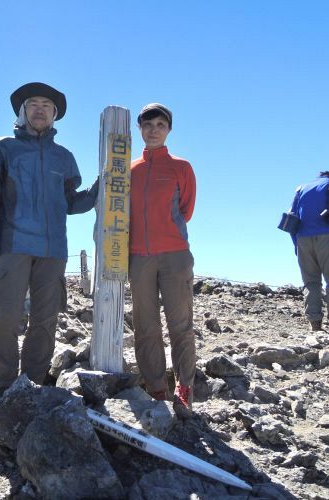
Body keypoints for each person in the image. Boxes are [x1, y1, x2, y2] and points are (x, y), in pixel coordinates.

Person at [0, 82, 97, 399]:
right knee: (7, 315)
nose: (40, 110)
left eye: (46, 105)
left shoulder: (64, 157)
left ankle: (34, 384)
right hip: (14, 244)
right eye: (33, 104)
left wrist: (98, 190)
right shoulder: (3, 149)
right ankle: (3, 387)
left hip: (53, 249)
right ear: (22, 111)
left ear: (55, 114)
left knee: (46, 318)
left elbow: (70, 202)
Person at [129, 103, 196, 417]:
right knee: (145, 326)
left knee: (180, 325)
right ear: (139, 129)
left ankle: (185, 389)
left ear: (169, 130)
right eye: (148, 125)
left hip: (174, 256)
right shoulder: (129, 169)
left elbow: (186, 210)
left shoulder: (181, 167)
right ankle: (157, 389)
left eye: (160, 125)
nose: (153, 130)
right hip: (138, 257)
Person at [287, 171, 329, 334]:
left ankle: (315, 324)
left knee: (311, 282)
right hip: (326, 237)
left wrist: (296, 245)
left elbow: (291, 217)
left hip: (302, 239)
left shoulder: (301, 188)